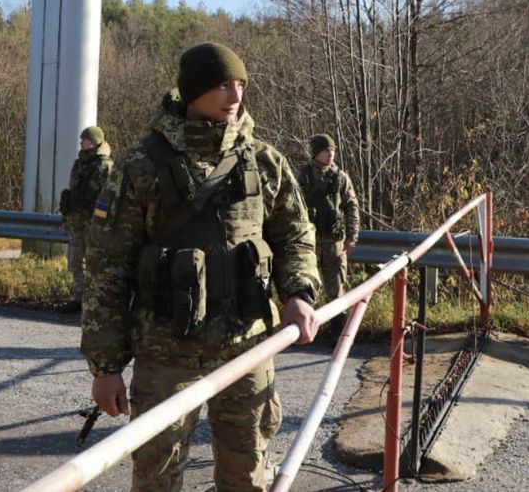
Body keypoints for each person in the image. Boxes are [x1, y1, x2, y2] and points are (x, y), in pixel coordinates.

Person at [81, 42, 321, 492]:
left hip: (247, 347)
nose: (235, 96)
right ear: (193, 93)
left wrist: (299, 292)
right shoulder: (141, 165)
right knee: (156, 477)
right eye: (223, 85)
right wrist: (106, 366)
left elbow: (295, 235)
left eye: (241, 85)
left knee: (247, 475)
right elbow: (107, 269)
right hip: (166, 350)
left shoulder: (264, 160)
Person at [296, 134, 360, 311]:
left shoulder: (340, 177)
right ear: (316, 152)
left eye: (333, 150)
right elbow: (290, 207)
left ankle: (337, 332)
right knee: (306, 290)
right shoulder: (302, 176)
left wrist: (352, 237)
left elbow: (351, 207)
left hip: (334, 242)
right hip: (309, 242)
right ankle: (306, 333)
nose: (331, 154)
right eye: (326, 150)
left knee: (336, 292)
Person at [59, 125, 113, 313]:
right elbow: (73, 191)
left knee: (93, 262)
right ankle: (78, 298)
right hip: (76, 220)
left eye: (85, 139)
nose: (81, 142)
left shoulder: (105, 166)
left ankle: (93, 301)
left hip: (93, 223)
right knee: (76, 261)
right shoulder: (79, 164)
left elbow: (107, 197)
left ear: (94, 142)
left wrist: (102, 223)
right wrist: (67, 216)